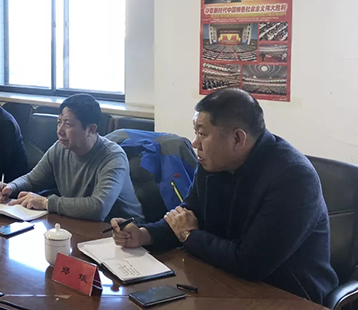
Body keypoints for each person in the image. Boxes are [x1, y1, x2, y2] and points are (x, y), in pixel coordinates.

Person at [111, 88, 338, 304]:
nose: (195, 143)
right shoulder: (213, 165)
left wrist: (190, 236)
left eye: (202, 134)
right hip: (223, 279)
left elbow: (251, 263)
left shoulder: (293, 178)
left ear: (238, 139)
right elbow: (184, 217)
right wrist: (144, 235)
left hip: (287, 295)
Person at [0, 94, 143, 222]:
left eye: (68, 124)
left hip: (122, 231)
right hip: (80, 224)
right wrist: (10, 187)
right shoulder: (60, 148)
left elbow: (99, 207)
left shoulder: (113, 157)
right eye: (59, 122)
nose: (60, 131)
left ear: (91, 129)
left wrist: (46, 202)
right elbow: (33, 179)